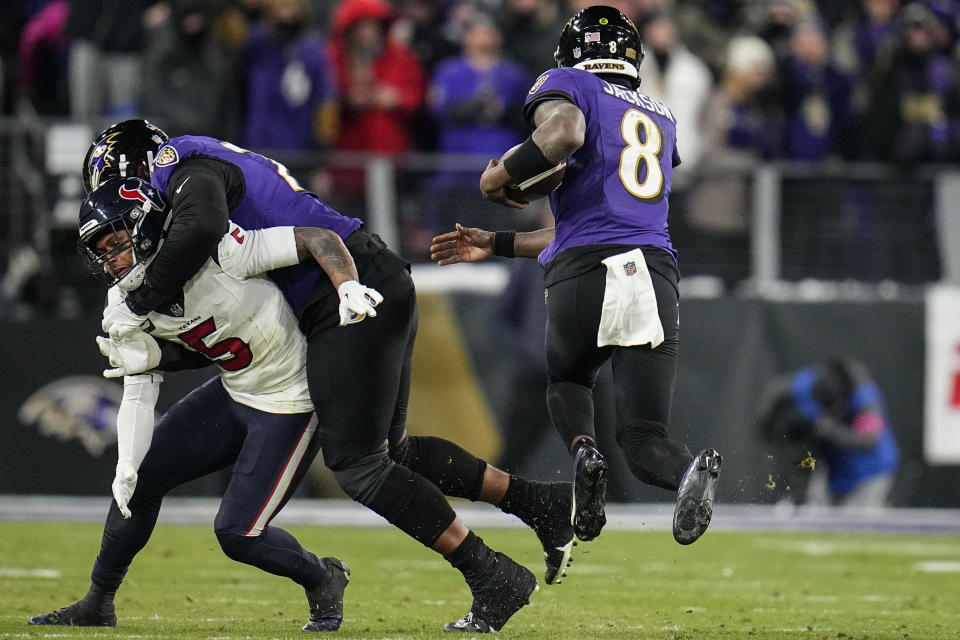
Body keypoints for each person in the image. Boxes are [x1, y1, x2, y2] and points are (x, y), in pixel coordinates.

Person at [80, 120, 573, 634]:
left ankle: (491, 575)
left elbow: (202, 224)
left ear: (136, 171)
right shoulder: (197, 208)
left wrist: (139, 302)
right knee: (392, 453)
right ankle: (539, 503)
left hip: (343, 287)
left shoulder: (182, 169)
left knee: (360, 466)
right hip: (357, 279)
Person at [430, 5, 723, 547]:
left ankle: (584, 452)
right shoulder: (661, 115)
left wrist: (503, 174)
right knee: (644, 440)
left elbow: (563, 133)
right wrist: (494, 241)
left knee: (567, 380)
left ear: (574, 53)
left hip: (584, 270)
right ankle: (685, 473)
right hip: (653, 270)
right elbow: (604, 219)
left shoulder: (569, 85)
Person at [30, 176, 355, 632]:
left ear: (143, 225)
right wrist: (126, 463)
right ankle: (98, 602)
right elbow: (140, 391)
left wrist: (346, 286)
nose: (111, 261)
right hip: (234, 387)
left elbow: (319, 238)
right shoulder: (123, 305)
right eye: (100, 251)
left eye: (115, 242)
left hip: (290, 398)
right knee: (141, 478)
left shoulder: (219, 250)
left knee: (238, 534)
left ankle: (323, 578)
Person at [756, 358, 900, 507]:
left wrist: (832, 431)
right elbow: (774, 392)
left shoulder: (864, 398)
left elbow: (870, 441)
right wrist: (767, 432)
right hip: (833, 473)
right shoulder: (804, 386)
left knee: (856, 523)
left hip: (869, 474)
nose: (831, 412)